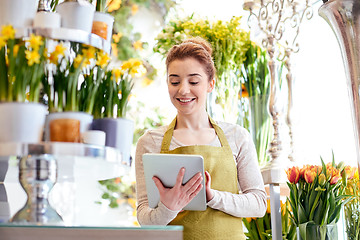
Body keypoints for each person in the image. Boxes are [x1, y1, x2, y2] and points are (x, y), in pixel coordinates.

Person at [135, 37, 266, 239]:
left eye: (194, 81)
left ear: (210, 84)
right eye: (174, 81)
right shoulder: (150, 141)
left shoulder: (237, 136)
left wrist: (212, 197)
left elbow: (258, 204)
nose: (183, 90)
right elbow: (144, 218)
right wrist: (168, 207)